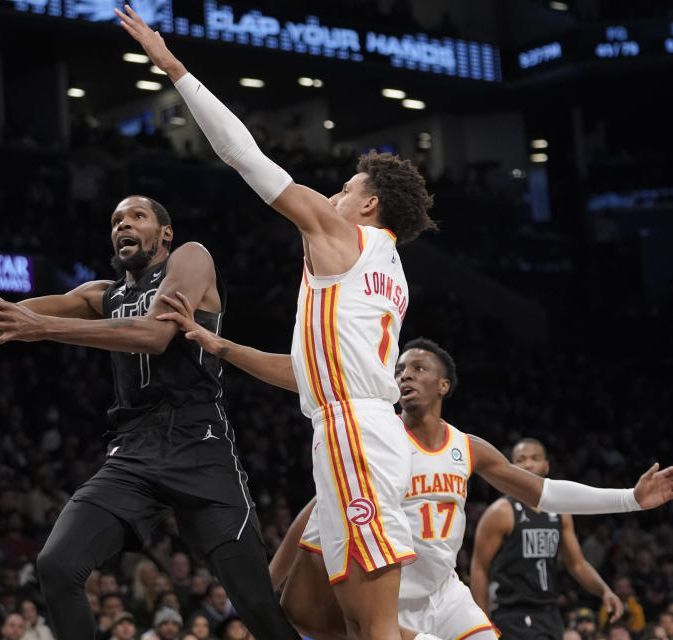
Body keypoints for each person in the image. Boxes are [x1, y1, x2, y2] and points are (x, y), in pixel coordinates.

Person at [117, 7, 438, 640]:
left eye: (344, 189)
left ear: (368, 205)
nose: (331, 196)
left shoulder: (345, 235)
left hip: (353, 434)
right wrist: (220, 344)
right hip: (352, 428)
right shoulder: (390, 273)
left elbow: (244, 155)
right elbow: (307, 374)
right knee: (313, 614)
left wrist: (176, 68)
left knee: (372, 627)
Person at [0, 185, 300, 640]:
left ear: (165, 233)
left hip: (200, 446)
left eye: (137, 216)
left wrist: (42, 327)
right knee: (56, 565)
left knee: (256, 604)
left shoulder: (190, 258)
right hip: (134, 450)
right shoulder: (101, 294)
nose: (123, 224)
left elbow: (154, 335)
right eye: (117, 221)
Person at [149, 309, 673, 640]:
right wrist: (261, 598)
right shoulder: (375, 438)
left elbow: (544, 493)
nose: (405, 374)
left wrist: (630, 500)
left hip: (443, 592)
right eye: (400, 368)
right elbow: (316, 511)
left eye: (418, 369)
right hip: (385, 600)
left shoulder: (468, 448)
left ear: (444, 385)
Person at [470, 438, 666, 639]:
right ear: (511, 468)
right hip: (514, 612)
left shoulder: (560, 513)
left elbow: (577, 564)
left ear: (546, 466)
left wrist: (604, 591)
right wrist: (481, 621)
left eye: (534, 458)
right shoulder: (500, 511)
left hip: (549, 611)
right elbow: (479, 567)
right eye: (521, 459)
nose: (528, 464)